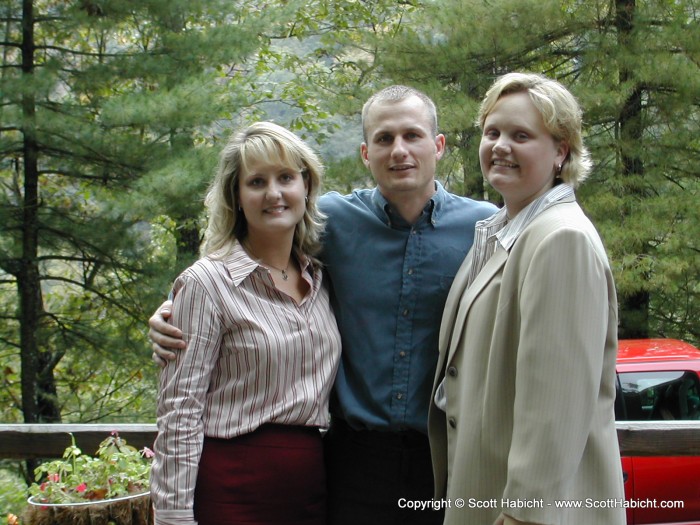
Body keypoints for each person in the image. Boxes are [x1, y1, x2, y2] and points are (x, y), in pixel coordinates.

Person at [149, 86, 497, 525]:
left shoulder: (485, 228)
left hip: (447, 456)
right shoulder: (333, 222)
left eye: (412, 135)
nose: (400, 150)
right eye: (385, 139)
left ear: (439, 145)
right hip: (350, 461)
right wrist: (173, 308)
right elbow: (242, 264)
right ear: (366, 153)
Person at [429, 72, 625, 525]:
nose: (500, 146)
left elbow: (555, 406)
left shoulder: (562, 240)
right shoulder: (502, 229)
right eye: (492, 132)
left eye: (522, 135)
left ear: (561, 151)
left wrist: (524, 514)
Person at [150, 122, 341, 525]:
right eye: (256, 181)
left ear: (306, 185)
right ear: (236, 197)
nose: (274, 193)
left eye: (286, 177)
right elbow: (180, 412)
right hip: (233, 490)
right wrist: (173, 518)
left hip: (310, 488)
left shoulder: (321, 278)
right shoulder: (206, 283)